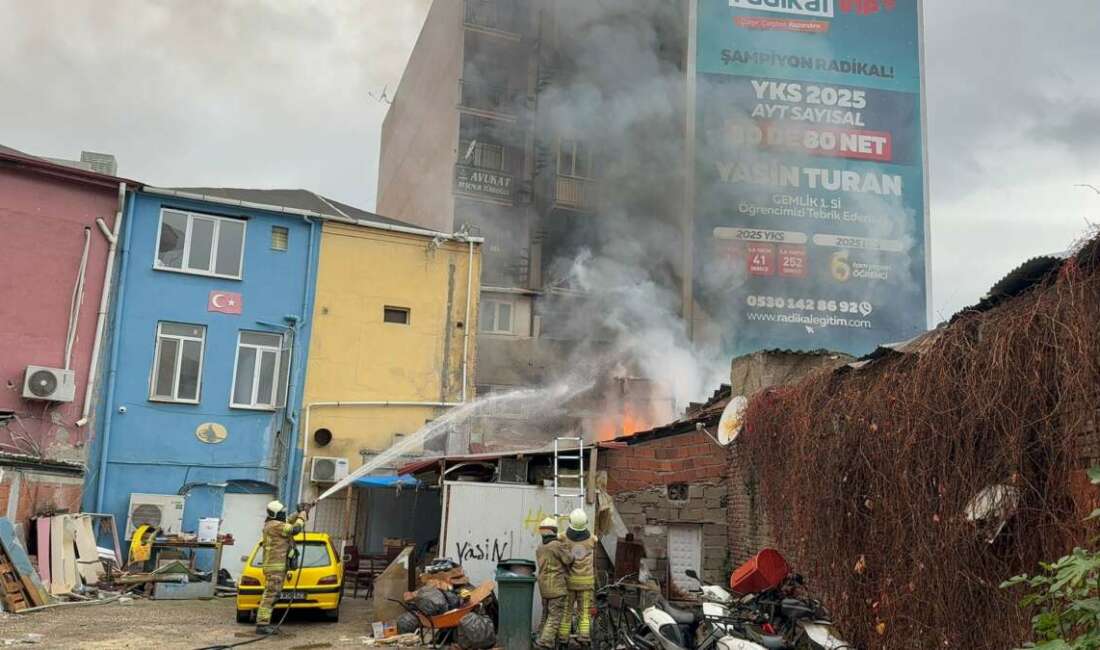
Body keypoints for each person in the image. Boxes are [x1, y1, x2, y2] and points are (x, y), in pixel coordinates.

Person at [255, 500, 311, 636]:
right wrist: (302, 514)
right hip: (275, 568)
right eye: (281, 513)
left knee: (273, 594)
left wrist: (298, 512)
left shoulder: (274, 523)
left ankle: (264, 623)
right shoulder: (275, 526)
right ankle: (262, 624)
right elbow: (295, 529)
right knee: (270, 595)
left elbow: (287, 520)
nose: (283, 515)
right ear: (275, 514)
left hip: (277, 567)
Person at [559, 508, 596, 646]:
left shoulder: (564, 537)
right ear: (586, 523)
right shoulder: (592, 539)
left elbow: (558, 537)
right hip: (586, 582)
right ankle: (584, 636)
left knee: (567, 610)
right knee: (584, 611)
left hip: (570, 582)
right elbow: (595, 539)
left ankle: (563, 637)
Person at [535, 517, 572, 649]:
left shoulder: (540, 547)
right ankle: (545, 642)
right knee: (554, 617)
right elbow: (568, 559)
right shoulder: (556, 545)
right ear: (554, 531)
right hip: (556, 587)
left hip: (544, 587)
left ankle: (540, 637)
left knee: (545, 615)